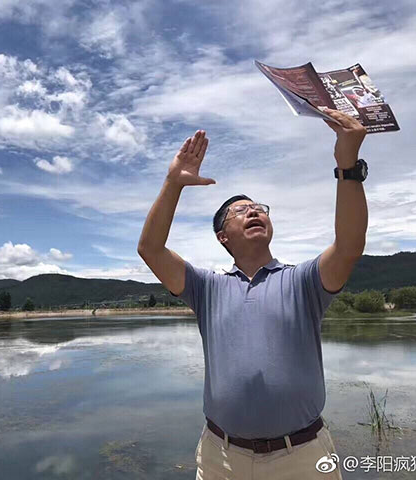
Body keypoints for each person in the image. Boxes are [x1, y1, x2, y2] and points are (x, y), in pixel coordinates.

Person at [137, 108, 368, 479]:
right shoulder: (206, 287)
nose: (254, 211)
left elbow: (349, 246)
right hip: (221, 457)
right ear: (222, 237)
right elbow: (150, 249)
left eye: (259, 208)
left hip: (301, 457)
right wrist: (173, 182)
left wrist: (348, 166)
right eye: (241, 211)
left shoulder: (302, 282)